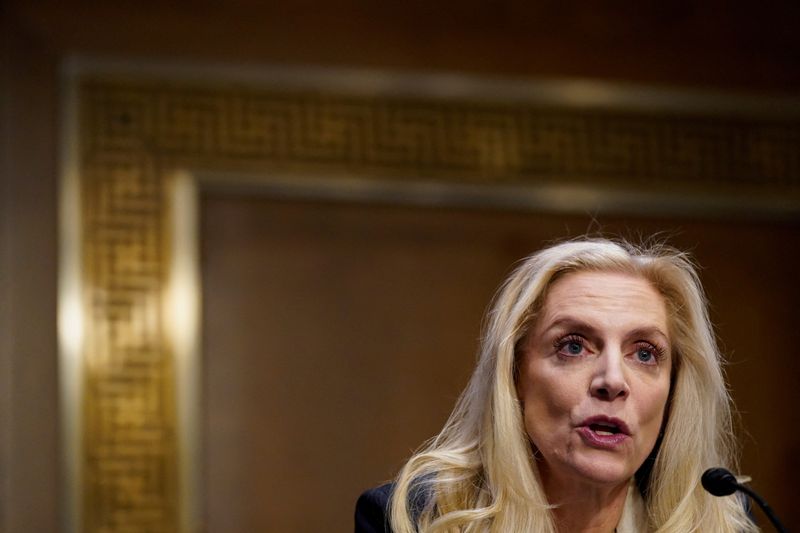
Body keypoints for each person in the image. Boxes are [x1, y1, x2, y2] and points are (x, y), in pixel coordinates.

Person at [355, 237, 756, 532]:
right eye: (573, 346)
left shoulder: (722, 522)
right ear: (514, 376)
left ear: (674, 392)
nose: (613, 381)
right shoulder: (413, 520)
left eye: (646, 353)